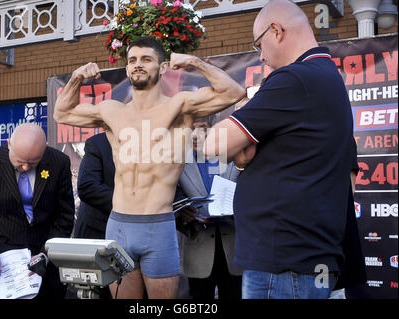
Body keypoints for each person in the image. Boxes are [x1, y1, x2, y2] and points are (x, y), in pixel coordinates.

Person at [53, 36, 245, 298]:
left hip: (158, 226)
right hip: (119, 225)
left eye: (146, 59)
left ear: (163, 67)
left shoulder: (180, 106)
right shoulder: (112, 111)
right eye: (132, 60)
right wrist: (76, 77)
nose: (137, 65)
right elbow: (62, 113)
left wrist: (194, 62)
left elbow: (233, 92)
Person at [204, 0, 356, 299]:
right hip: (304, 257)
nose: (261, 57)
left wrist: (249, 104)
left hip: (283, 261)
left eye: (259, 44)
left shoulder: (295, 78)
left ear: (276, 30)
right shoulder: (326, 77)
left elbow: (215, 144)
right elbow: (246, 157)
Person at [0, 123, 75, 299]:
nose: (25, 167)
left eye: (32, 163)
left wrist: (46, 254)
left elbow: (64, 216)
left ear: (43, 151)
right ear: (9, 144)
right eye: (20, 162)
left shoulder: (58, 162)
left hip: (45, 262)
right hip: (3, 264)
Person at [176, 115, 242, 299]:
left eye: (203, 127)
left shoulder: (234, 157)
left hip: (235, 251)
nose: (197, 134)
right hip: (199, 252)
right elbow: (171, 200)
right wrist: (186, 219)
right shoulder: (179, 165)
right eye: (193, 128)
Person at [73, 131, 115, 299]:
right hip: (98, 233)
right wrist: (129, 203)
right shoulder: (99, 143)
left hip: (138, 236)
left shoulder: (152, 142)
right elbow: (87, 186)